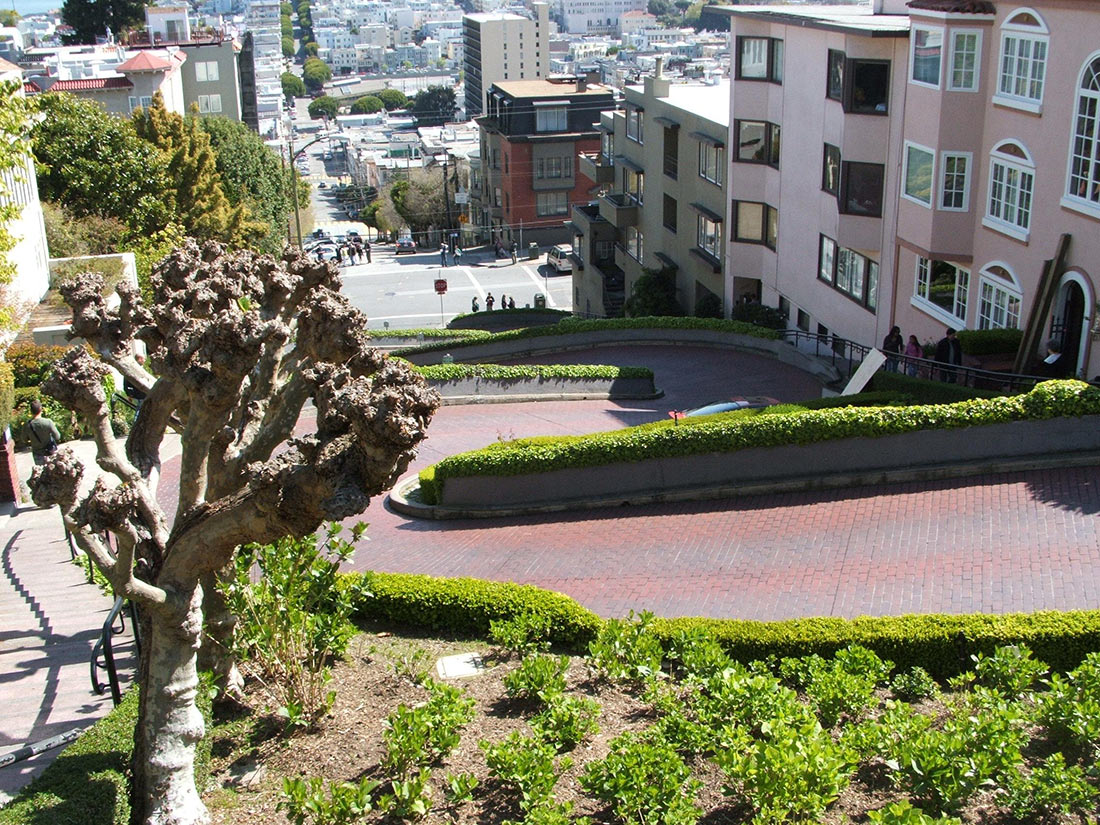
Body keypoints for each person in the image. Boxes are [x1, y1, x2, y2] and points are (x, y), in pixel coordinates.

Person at [24, 399, 60, 466]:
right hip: (50, 451)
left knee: (41, 473)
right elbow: (57, 436)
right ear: (41, 409)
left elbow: (23, 439)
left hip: (37, 453)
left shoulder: (27, 425)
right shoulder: (48, 422)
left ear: (31, 411)